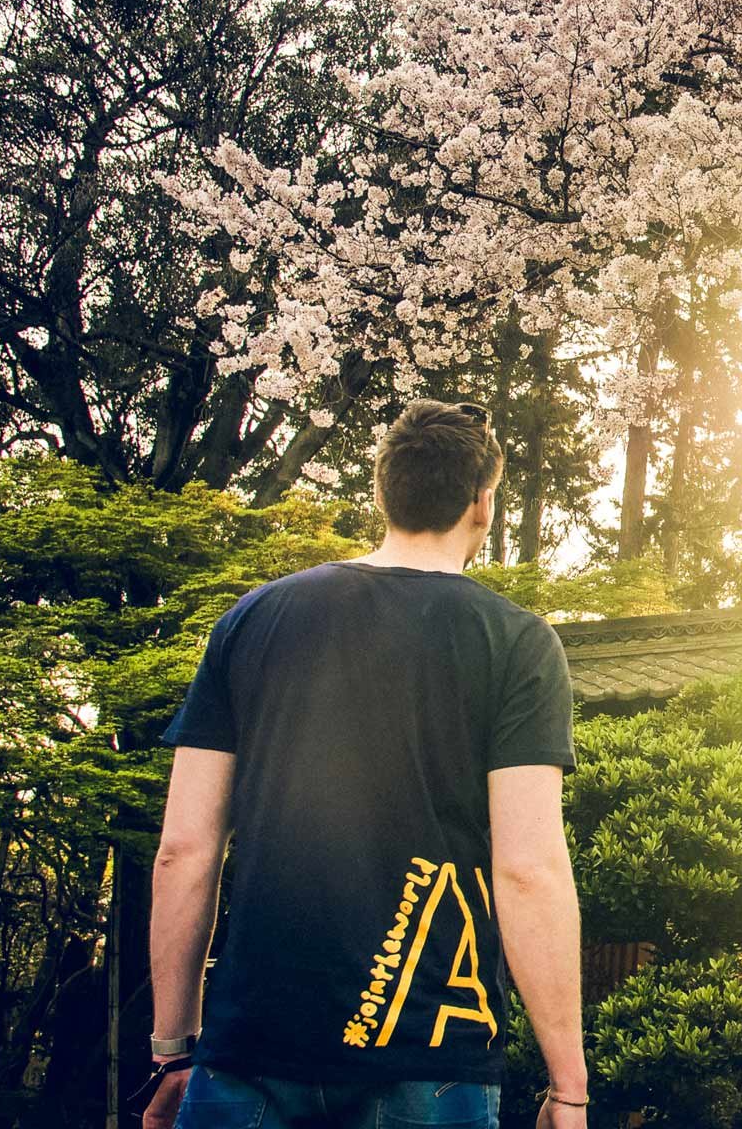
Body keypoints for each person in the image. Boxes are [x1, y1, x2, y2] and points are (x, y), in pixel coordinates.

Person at [141, 399, 588, 1129]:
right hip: (428, 1057)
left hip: (251, 1048)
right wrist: (567, 1084)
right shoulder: (517, 643)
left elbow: (184, 852)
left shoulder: (251, 620)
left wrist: (171, 1047)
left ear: (382, 493)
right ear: (482, 505)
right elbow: (528, 868)